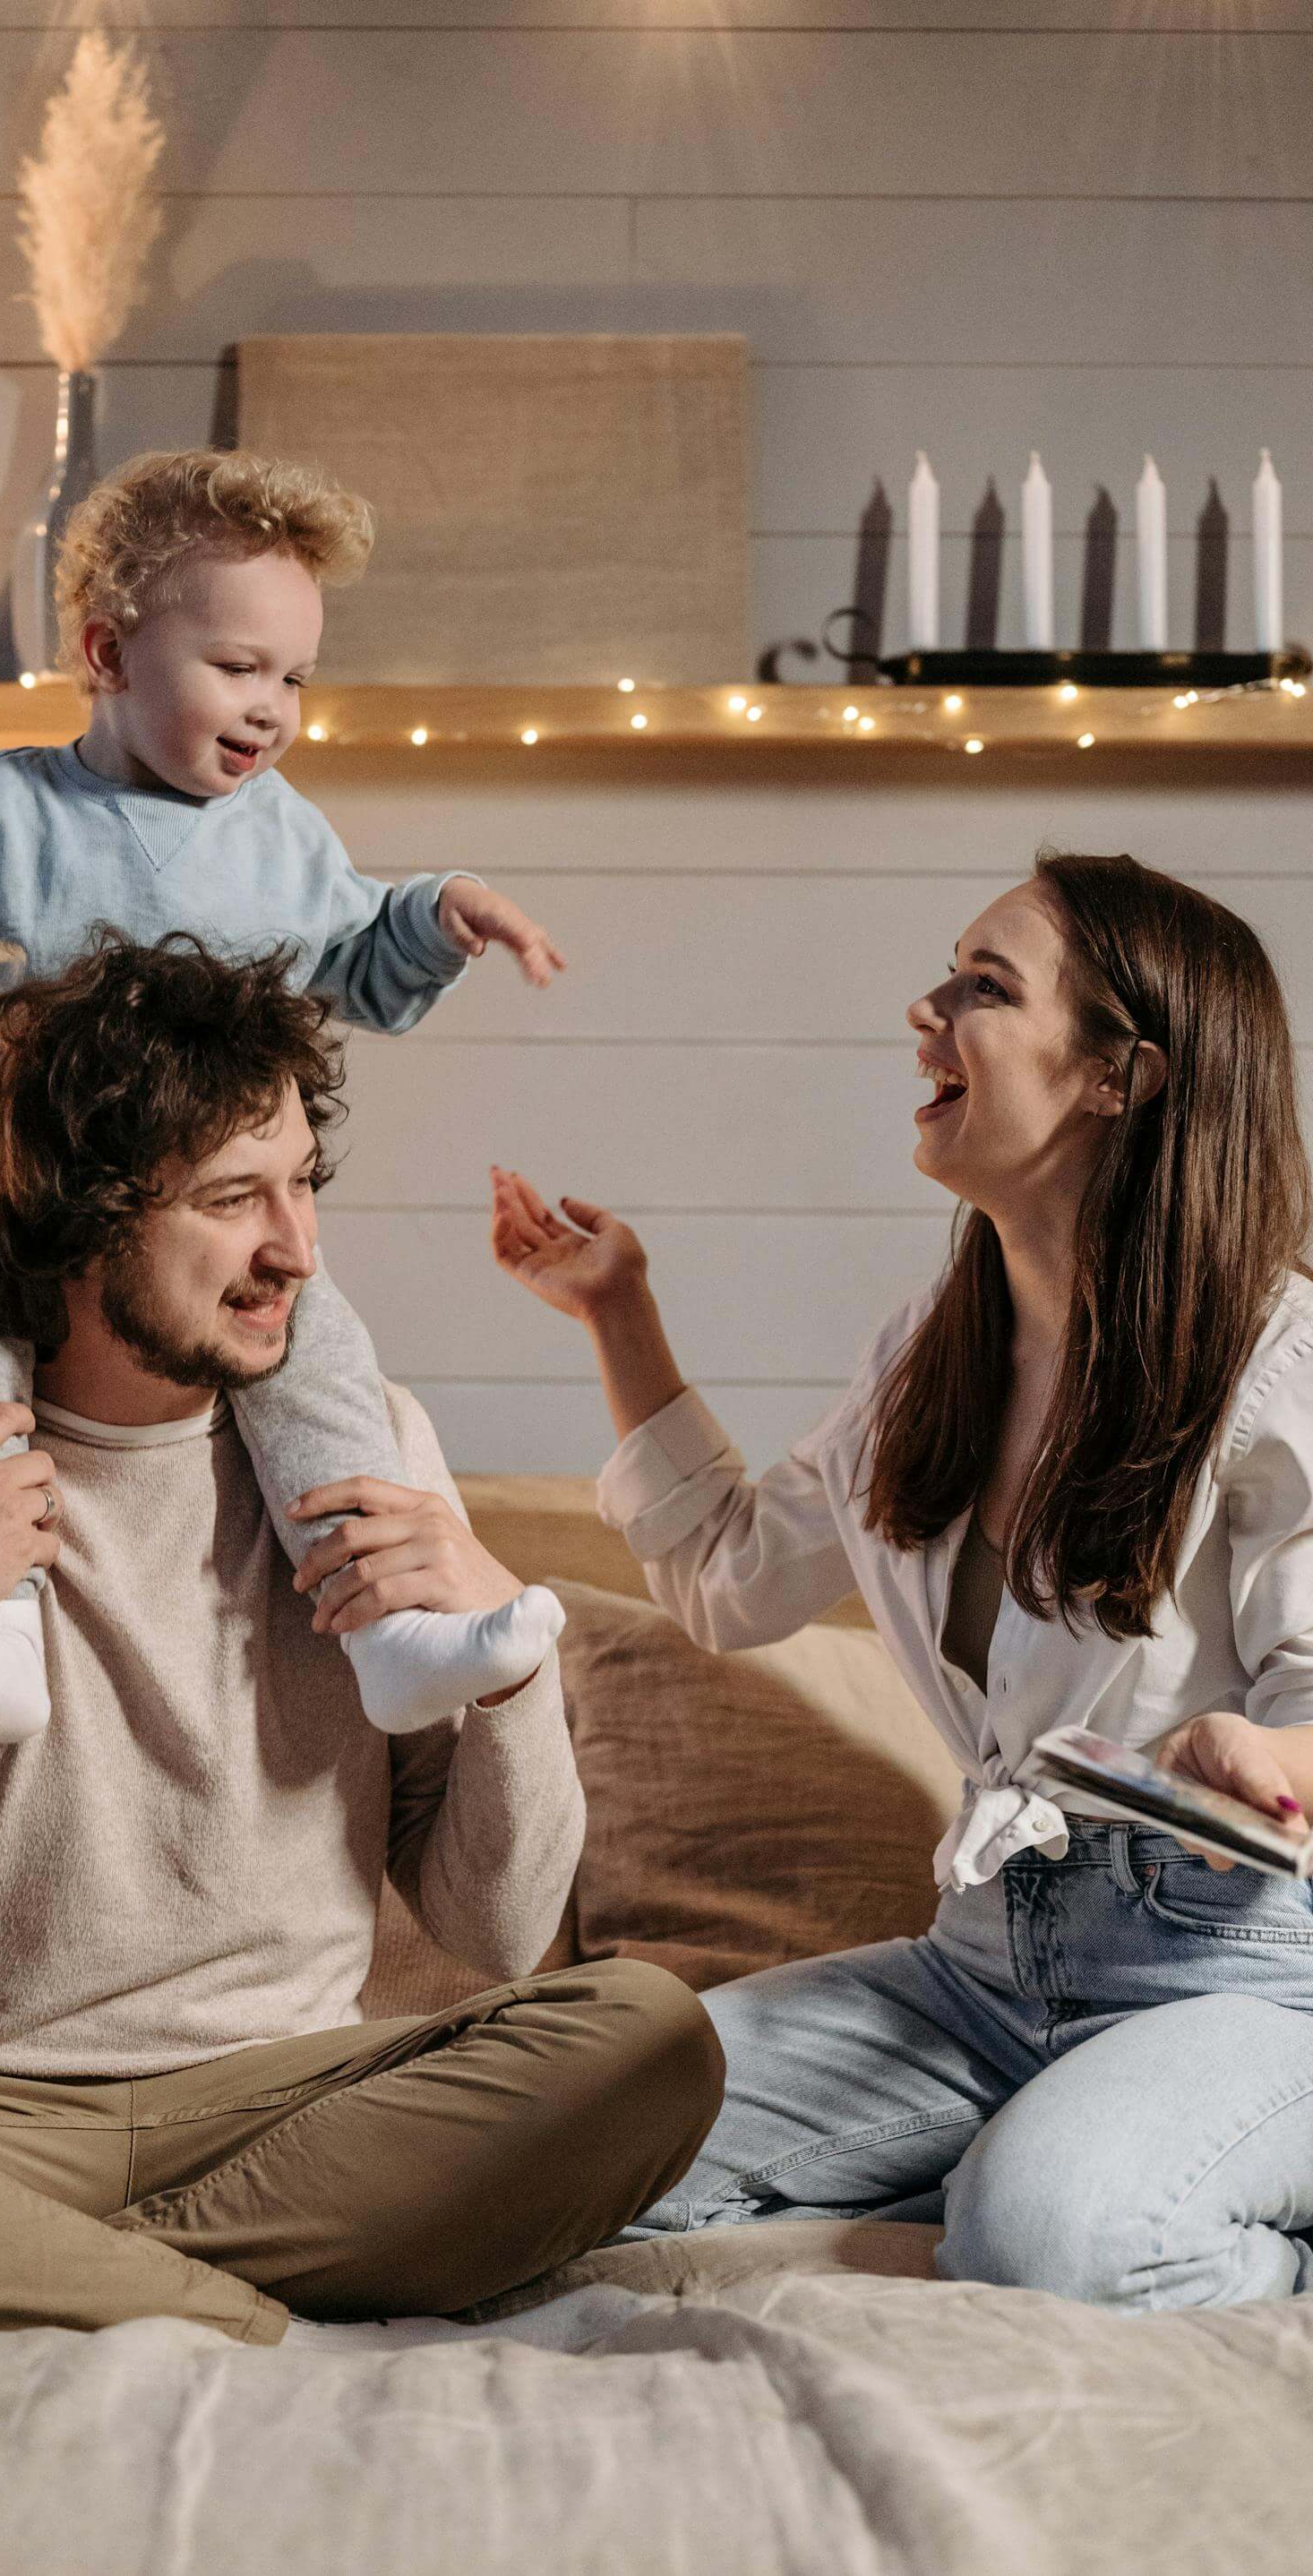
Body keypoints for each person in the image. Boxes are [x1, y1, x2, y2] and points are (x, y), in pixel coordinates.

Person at [0, 933, 721, 2350]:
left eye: (304, 1185)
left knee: (649, 2035)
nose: (297, 1252)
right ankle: (221, 2318)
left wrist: (508, 1667)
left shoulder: (373, 1456)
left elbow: (495, 1940)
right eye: (234, 1199)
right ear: (82, 1225)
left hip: (296, 2105)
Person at [493, 848, 1313, 2313]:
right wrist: (619, 1314)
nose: (925, 1011)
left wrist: (1256, 1753)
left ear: (1120, 1076)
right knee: (553, 2144)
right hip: (981, 1971)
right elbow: (735, 1580)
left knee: (1048, 2240)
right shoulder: (928, 1354)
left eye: (984, 988)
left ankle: (1143, 2182)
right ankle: (1041, 2139)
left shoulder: (1279, 1372)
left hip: (1251, 1981)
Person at [0, 447, 568, 1750]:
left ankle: (387, 1633)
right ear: (108, 655)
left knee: (324, 1368)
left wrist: (438, 918)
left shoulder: (284, 837)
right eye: (238, 666)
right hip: (5, 1196)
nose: (273, 707)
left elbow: (359, 967)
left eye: (294, 677)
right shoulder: (2, 809)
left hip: (203, 1227)